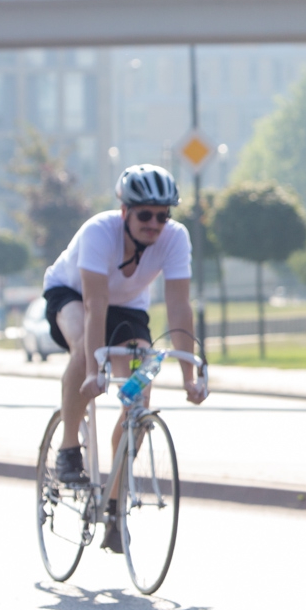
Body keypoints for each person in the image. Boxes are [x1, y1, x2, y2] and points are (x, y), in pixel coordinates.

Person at [41, 164, 206, 552]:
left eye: (162, 216)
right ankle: (68, 448)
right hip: (73, 295)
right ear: (124, 212)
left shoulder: (175, 238)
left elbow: (179, 306)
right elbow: (95, 303)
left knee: (140, 390)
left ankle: (114, 506)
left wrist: (188, 376)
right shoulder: (100, 232)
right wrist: (96, 370)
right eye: (145, 214)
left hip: (129, 309)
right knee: (85, 346)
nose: (154, 223)